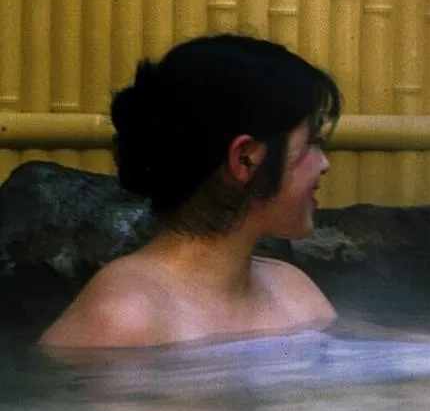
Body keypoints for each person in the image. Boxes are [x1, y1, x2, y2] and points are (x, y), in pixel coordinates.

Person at [40, 35, 341, 349]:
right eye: (312, 142)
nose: (324, 163)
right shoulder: (123, 319)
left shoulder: (294, 292)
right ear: (245, 158)